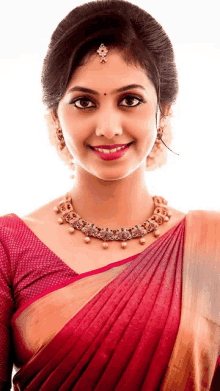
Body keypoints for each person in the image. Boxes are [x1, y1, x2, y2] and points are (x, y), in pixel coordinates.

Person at [0, 0, 219, 389]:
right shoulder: (10, 246)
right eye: (84, 102)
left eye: (129, 100)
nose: (108, 127)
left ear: (163, 110)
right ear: (55, 115)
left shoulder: (210, 245)